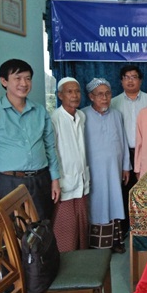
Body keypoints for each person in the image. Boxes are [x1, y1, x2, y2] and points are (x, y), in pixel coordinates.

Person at [0, 59, 60, 219]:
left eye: (28, 78)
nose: (24, 83)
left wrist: (55, 179)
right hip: (8, 182)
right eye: (17, 78)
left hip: (40, 180)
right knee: (9, 235)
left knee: (41, 233)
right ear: (4, 81)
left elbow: (50, 147)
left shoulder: (40, 111)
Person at [83, 78, 130, 254]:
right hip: (93, 171)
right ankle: (98, 245)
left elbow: (123, 142)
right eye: (100, 94)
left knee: (115, 203)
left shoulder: (117, 115)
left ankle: (115, 241)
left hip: (114, 169)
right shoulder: (83, 115)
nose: (105, 98)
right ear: (91, 96)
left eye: (108, 93)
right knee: (97, 205)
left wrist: (126, 166)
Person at [111, 65, 147, 234]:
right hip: (123, 153)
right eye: (126, 77)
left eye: (134, 77)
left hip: (146, 152)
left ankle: (145, 229)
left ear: (140, 80)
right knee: (124, 193)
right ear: (121, 81)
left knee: (146, 191)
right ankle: (124, 231)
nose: (130, 80)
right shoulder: (114, 102)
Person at [51, 77, 90, 252]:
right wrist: (55, 180)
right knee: (66, 229)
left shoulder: (81, 116)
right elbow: (51, 152)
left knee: (82, 226)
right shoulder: (54, 119)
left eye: (77, 91)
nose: (74, 95)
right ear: (60, 95)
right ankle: (65, 269)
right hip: (63, 182)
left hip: (81, 179)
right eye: (69, 91)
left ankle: (81, 265)